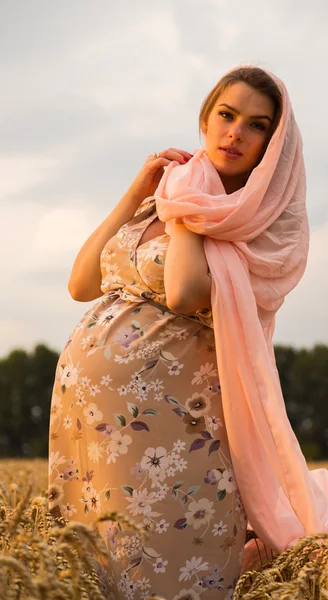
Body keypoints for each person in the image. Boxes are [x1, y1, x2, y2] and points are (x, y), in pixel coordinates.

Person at [48, 65, 282, 600]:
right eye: (226, 115)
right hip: (93, 431)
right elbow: (81, 283)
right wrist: (136, 194)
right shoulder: (160, 202)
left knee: (163, 574)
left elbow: (181, 293)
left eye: (256, 125)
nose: (236, 133)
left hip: (172, 440)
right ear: (205, 119)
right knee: (95, 572)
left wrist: (187, 208)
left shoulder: (244, 221)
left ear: (271, 142)